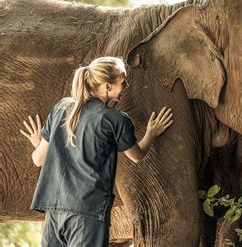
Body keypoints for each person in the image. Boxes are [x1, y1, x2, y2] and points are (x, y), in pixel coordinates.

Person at [20, 56, 173, 246]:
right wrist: (151, 133)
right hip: (88, 213)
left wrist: (40, 143)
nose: (126, 85)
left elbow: (38, 160)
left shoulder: (61, 108)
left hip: (54, 210)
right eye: (123, 80)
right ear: (108, 86)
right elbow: (136, 156)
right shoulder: (116, 119)